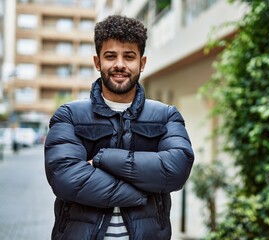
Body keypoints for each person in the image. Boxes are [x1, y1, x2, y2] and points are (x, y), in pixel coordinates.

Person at [44, 15, 194, 240]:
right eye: (110, 56)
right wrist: (143, 191)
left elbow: (176, 170)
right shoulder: (70, 116)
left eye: (129, 56)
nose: (120, 64)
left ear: (142, 63)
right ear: (97, 62)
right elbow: (65, 177)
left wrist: (102, 159)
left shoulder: (166, 116)